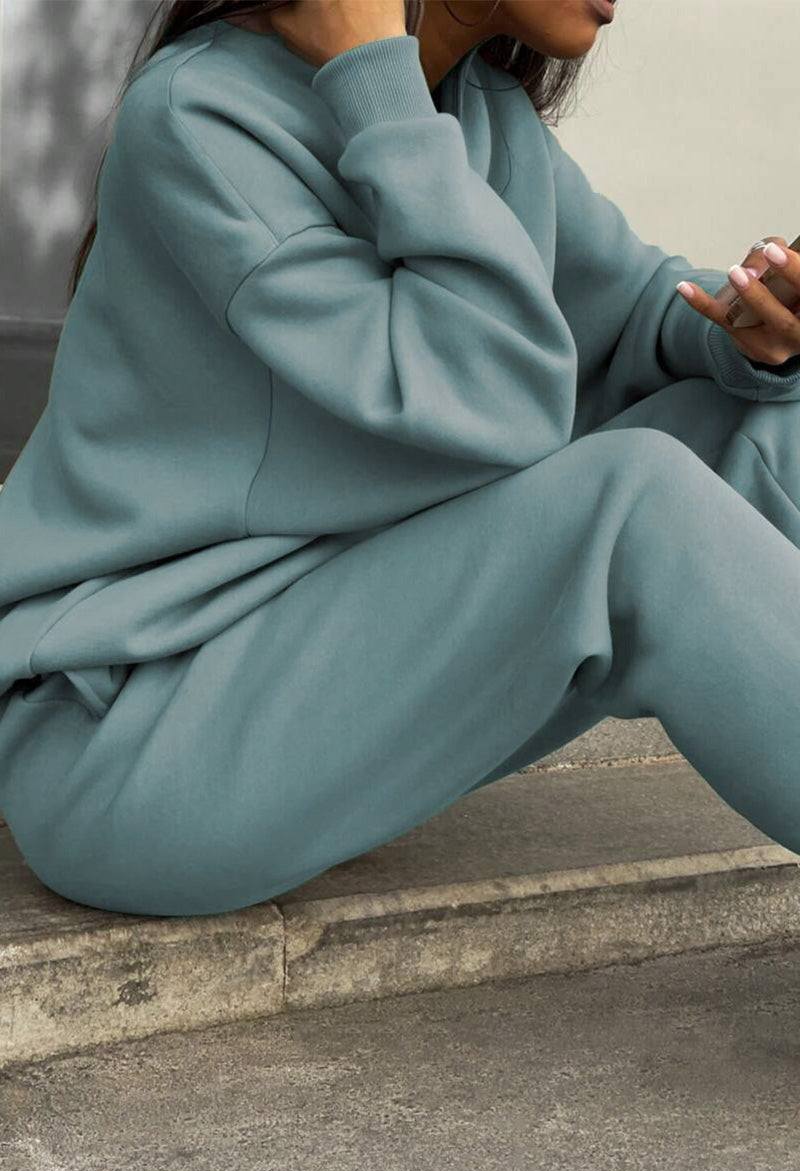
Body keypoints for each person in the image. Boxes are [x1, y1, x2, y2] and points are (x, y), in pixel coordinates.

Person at [2, 0, 800, 918]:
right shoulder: (202, 116)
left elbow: (622, 310)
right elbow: (492, 400)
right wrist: (378, 85)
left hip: (315, 662)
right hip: (135, 740)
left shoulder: (470, 114)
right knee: (637, 506)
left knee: (769, 423)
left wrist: (747, 329)